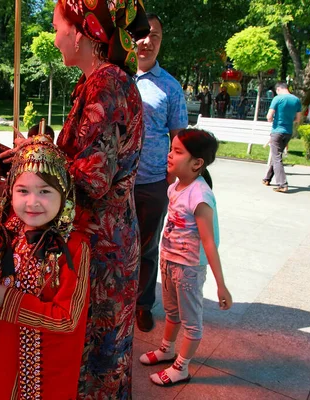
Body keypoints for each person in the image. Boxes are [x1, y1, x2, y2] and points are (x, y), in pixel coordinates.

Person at [1, 1, 149, 397]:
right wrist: (36, 150)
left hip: (102, 246)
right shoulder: (99, 81)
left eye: (56, 27)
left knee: (97, 357)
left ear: (81, 32)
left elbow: (92, 178)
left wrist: (35, 157)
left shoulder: (107, 84)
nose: (54, 37)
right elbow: (82, 158)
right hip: (105, 235)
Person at [0, 136, 91, 399]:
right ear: (10, 191)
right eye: (22, 191)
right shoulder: (10, 230)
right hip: (7, 345)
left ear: (64, 195)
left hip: (44, 366)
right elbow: (5, 270)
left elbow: (68, 319)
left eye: (45, 191)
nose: (32, 202)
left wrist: (7, 298)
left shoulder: (73, 248)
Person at [138, 128, 232, 387]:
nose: (169, 155)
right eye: (171, 148)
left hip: (188, 268)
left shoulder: (200, 196)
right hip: (169, 260)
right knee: (171, 312)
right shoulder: (177, 186)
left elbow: (209, 242)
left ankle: (181, 367)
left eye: (177, 152)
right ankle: (167, 350)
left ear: (197, 163)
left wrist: (220, 284)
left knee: (191, 322)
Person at [134, 13, 188, 333]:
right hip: (116, 182)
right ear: (130, 39)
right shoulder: (117, 77)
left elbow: (179, 137)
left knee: (147, 246)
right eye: (142, 35)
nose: (148, 41)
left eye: (155, 36)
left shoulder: (169, 86)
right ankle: (114, 300)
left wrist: (170, 179)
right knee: (114, 243)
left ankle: (142, 304)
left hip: (153, 182)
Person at [263, 82, 302, 192]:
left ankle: (282, 184)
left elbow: (269, 116)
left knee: (276, 157)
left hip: (277, 131)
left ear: (278, 89)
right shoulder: (296, 100)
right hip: (288, 132)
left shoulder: (277, 99)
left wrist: (272, 120)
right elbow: (298, 119)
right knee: (277, 155)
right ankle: (267, 179)